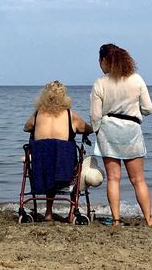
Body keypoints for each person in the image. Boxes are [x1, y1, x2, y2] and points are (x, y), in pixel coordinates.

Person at [90, 43, 152, 227]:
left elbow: (95, 115)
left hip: (108, 129)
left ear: (104, 61)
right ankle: (149, 219)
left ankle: (116, 220)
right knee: (138, 179)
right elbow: (148, 108)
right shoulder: (136, 79)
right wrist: (137, 114)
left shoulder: (100, 83)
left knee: (113, 178)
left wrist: (97, 131)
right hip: (131, 129)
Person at [24, 81, 93, 221]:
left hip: (42, 167)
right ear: (64, 96)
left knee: (50, 158)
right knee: (75, 169)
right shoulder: (69, 115)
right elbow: (87, 128)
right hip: (65, 167)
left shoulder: (38, 114)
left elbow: (26, 127)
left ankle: (48, 212)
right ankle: (72, 212)